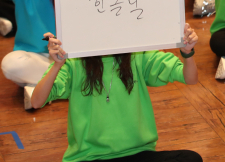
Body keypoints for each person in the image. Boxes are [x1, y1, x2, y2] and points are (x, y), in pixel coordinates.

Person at [30, 25, 203, 162]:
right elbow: (36, 101)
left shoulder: (138, 54)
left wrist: (187, 54)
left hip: (138, 154)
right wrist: (57, 65)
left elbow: (190, 78)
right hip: (90, 157)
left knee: (190, 158)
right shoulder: (73, 62)